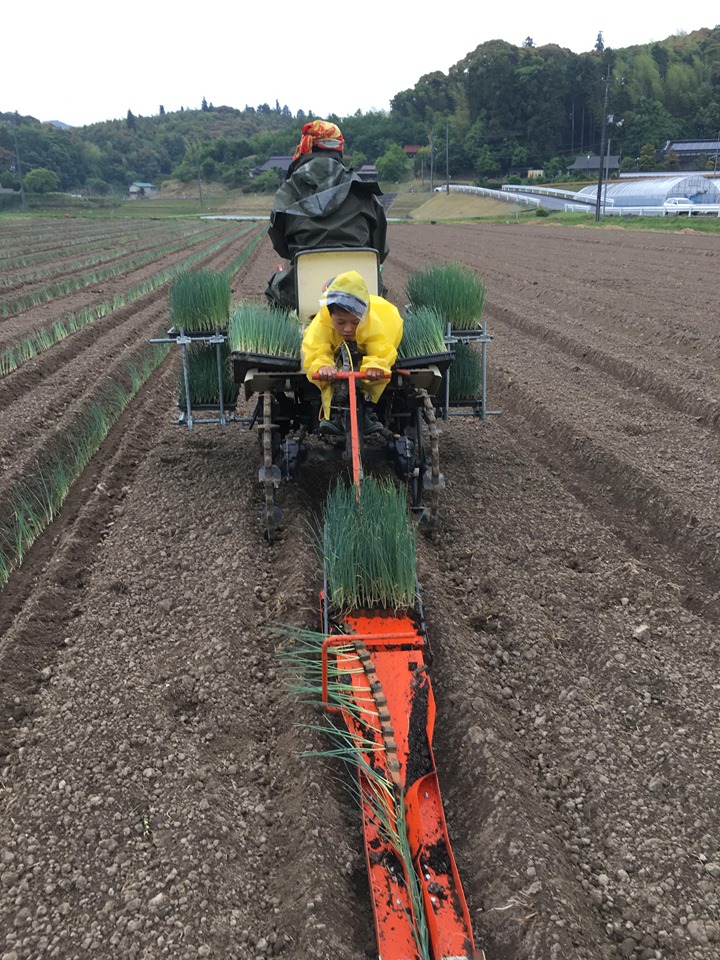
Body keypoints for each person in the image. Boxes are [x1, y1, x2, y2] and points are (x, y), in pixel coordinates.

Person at [266, 120, 389, 310]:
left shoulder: (288, 191)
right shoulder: (362, 190)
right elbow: (380, 249)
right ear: (339, 149)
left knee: (276, 288)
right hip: (359, 293)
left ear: (307, 147)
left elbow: (282, 247)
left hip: (304, 293)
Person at [301, 271, 402, 437]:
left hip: (371, 343)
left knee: (376, 376)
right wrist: (323, 365)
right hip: (338, 354)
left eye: (355, 322)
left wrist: (375, 365)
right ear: (330, 314)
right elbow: (315, 348)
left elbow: (381, 347)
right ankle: (335, 414)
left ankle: (367, 412)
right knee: (332, 376)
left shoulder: (372, 323)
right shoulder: (321, 324)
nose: (348, 329)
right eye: (340, 322)